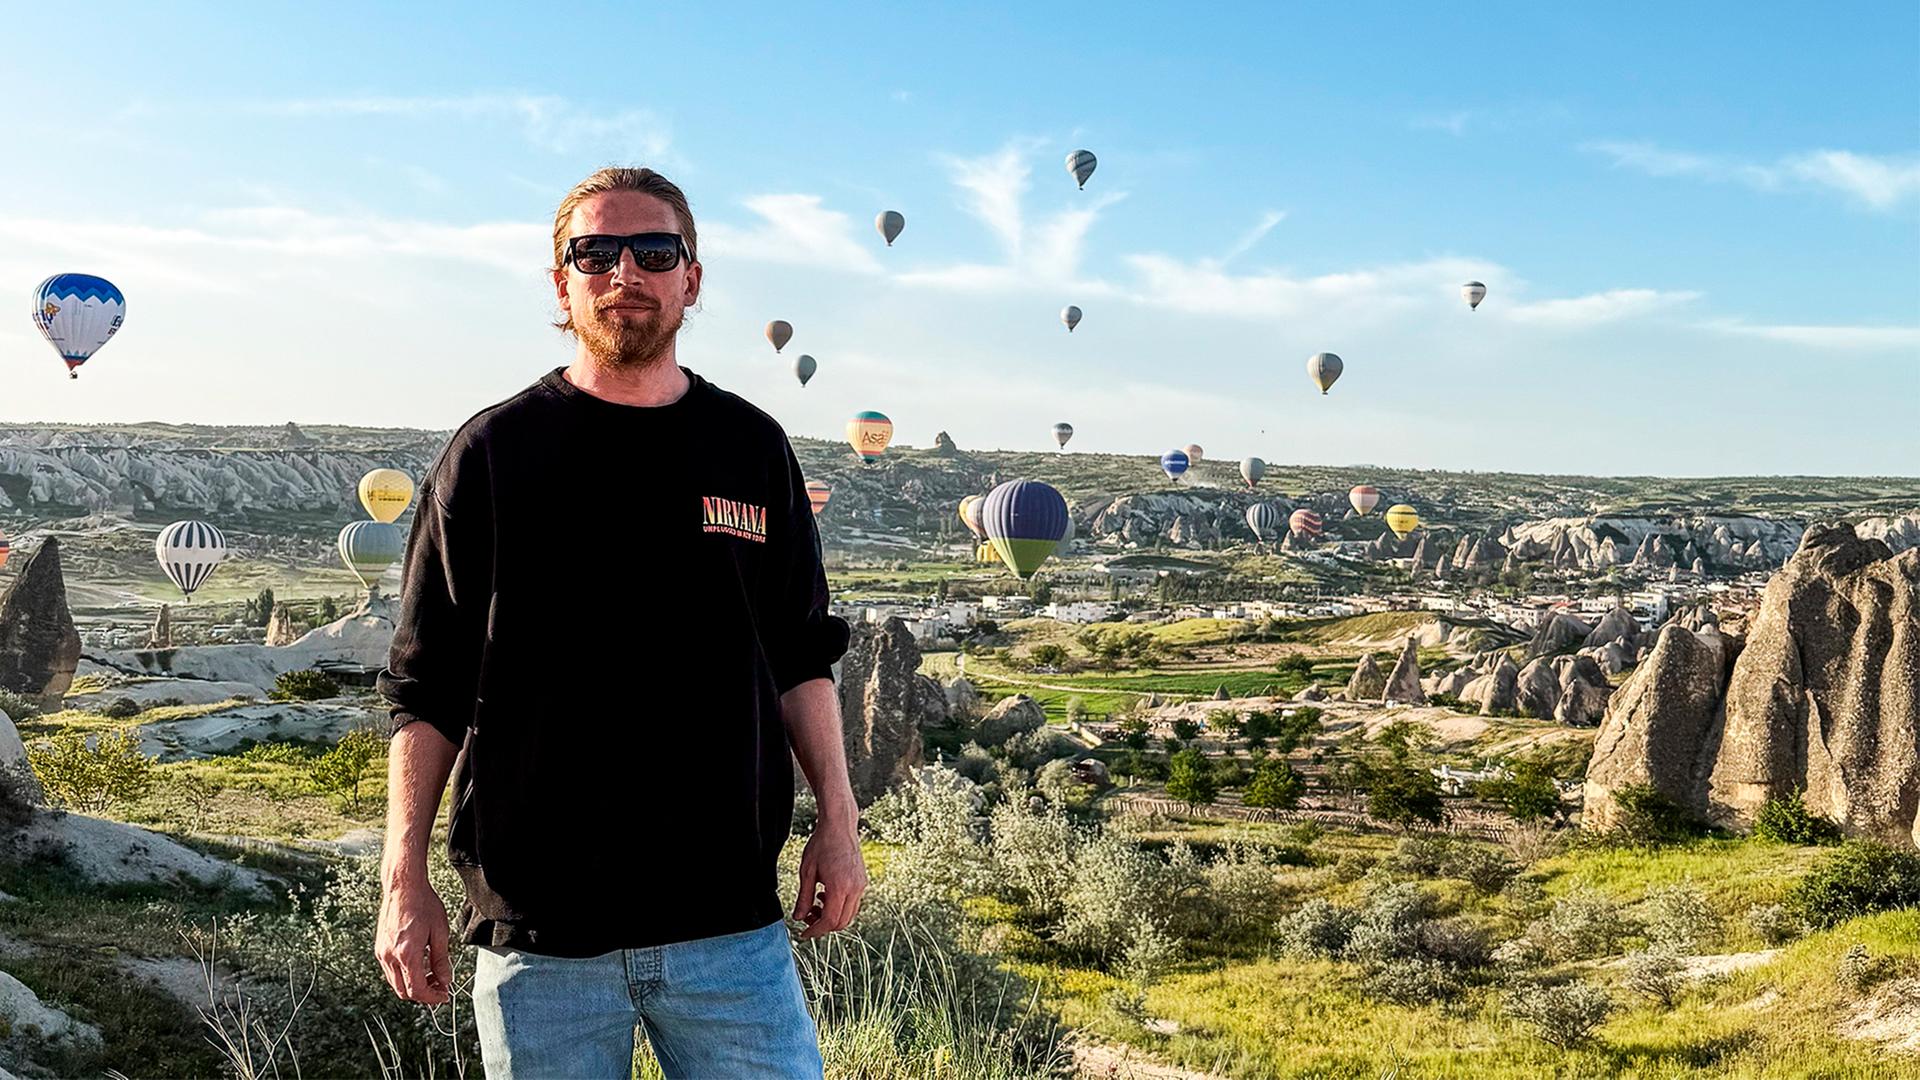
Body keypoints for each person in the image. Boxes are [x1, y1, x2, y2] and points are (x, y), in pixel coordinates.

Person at [374, 166, 865, 1079]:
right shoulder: (492, 454)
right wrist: (403, 878)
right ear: (561, 283)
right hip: (539, 936)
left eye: (654, 250)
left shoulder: (751, 448)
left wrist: (838, 823)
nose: (624, 272)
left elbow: (802, 656)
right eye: (594, 252)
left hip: (728, 925)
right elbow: (426, 685)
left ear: (692, 278)